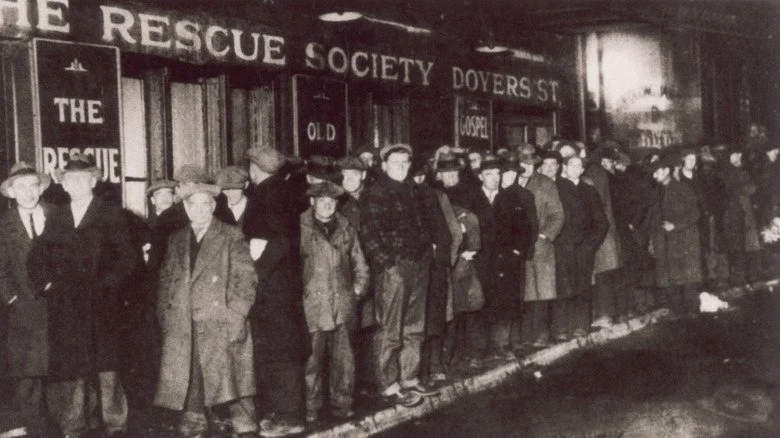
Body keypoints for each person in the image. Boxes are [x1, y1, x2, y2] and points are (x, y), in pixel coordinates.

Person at [27, 152, 139, 437]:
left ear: (93, 181)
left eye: (81, 179)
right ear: (63, 184)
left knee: (107, 366)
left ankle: (115, 425)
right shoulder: (58, 215)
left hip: (102, 305)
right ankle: (75, 424)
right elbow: (38, 256)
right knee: (73, 367)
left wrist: (107, 287)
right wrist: (47, 285)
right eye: (69, 179)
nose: (74, 184)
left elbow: (128, 259)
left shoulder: (111, 213)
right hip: (68, 306)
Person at [154, 174, 258, 437]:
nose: (199, 210)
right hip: (183, 321)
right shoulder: (176, 239)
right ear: (186, 208)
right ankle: (195, 419)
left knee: (232, 377)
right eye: (193, 205)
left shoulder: (230, 235)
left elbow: (245, 279)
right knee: (191, 374)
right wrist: (166, 317)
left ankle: (245, 425)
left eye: (205, 204)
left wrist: (236, 314)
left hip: (220, 318)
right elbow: (166, 280)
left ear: (213, 206)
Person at [359, 143, 436, 408]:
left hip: (418, 264)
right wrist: (388, 266)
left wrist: (426, 255)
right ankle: (387, 384)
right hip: (395, 268)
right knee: (389, 328)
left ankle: (410, 379)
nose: (402, 167)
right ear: (384, 166)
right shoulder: (374, 193)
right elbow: (369, 234)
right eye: (396, 163)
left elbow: (424, 226)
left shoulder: (415, 190)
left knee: (414, 327)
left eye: (405, 163)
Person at [243, 146, 309, 437]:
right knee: (280, 350)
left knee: (281, 352)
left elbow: (276, 242)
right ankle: (282, 412)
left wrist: (255, 275)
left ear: (254, 169)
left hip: (273, 289)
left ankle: (289, 417)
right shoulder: (283, 192)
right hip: (284, 285)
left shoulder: (264, 196)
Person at [300, 181, 369, 423]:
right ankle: (311, 407)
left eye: (332, 201)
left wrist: (357, 290)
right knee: (312, 360)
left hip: (343, 305)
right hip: (313, 305)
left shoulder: (346, 227)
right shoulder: (301, 226)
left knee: (344, 359)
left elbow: (360, 264)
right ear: (312, 202)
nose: (328, 205)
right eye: (322, 200)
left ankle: (342, 405)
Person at [0, 162, 54, 435]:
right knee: (27, 371)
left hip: (55, 307)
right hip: (22, 308)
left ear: (40, 188)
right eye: (20, 186)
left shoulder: (56, 216)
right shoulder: (4, 225)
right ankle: (32, 427)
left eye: (33, 185)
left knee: (57, 369)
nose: (28, 192)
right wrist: (11, 298)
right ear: (11, 192)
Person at [473, 154, 534, 357]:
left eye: (497, 174)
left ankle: (502, 346)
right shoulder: (473, 200)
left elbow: (524, 230)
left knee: (505, 304)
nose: (494, 178)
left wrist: (517, 252)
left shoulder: (510, 198)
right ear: (481, 176)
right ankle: (479, 351)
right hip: (481, 261)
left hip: (506, 262)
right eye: (489, 174)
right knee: (480, 305)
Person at [516, 144, 564, 349]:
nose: (526, 167)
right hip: (517, 247)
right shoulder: (510, 182)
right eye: (522, 163)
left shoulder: (546, 184)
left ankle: (541, 334)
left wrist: (545, 235)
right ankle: (524, 336)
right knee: (521, 291)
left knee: (541, 292)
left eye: (530, 164)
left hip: (539, 246)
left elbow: (557, 214)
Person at [557, 156, 609, 338]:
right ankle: (562, 328)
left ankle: (580, 325)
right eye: (571, 164)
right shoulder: (557, 188)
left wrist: (590, 245)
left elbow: (602, 223)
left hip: (583, 248)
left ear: (582, 170)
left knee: (582, 286)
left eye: (578, 166)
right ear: (564, 167)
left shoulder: (589, 191)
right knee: (563, 287)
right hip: (562, 247)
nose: (574, 168)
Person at [648, 156, 702, 316]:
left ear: (666, 171)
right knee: (672, 280)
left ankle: (693, 318)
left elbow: (695, 213)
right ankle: (678, 316)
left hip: (684, 242)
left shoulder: (682, 188)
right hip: (668, 244)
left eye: (657, 172)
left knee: (687, 281)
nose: (654, 176)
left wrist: (675, 225)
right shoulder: (658, 192)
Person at [585, 145, 624, 327]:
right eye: (611, 161)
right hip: (608, 232)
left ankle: (604, 315)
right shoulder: (603, 174)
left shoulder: (595, 173)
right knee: (606, 273)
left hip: (601, 233)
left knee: (602, 273)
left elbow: (596, 203)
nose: (613, 165)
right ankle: (608, 313)